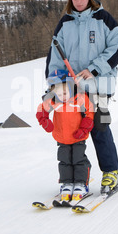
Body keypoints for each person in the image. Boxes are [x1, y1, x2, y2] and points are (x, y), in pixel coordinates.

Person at [46, 0, 118, 193]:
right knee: (71, 132)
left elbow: (117, 49)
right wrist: (56, 84)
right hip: (72, 87)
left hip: (99, 85)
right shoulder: (65, 22)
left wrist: (94, 69)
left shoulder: (104, 19)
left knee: (99, 127)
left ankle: (110, 173)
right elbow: (54, 56)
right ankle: (78, 177)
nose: (78, 1)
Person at [36, 70, 94, 202]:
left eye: (64, 92)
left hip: (78, 136)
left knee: (78, 160)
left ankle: (81, 184)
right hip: (62, 137)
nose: (62, 96)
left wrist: (83, 130)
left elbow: (90, 114)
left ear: (71, 86)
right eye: (58, 93)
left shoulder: (79, 98)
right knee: (64, 161)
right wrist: (45, 121)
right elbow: (41, 110)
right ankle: (67, 183)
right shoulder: (53, 101)